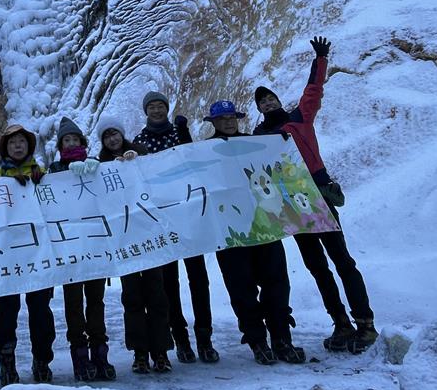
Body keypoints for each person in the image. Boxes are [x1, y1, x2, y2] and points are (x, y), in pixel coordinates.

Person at [254, 36, 377, 354]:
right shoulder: (258, 137)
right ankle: (341, 324)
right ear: (259, 109)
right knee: (317, 267)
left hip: (316, 195)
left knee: (342, 261)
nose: (267, 103)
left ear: (278, 101)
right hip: (292, 204)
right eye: (262, 102)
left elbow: (314, 91)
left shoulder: (299, 118)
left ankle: (365, 324)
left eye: (270, 99)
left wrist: (320, 58)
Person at [201, 100, 304, 365]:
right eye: (222, 119)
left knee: (277, 283)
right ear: (213, 123)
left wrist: (281, 143)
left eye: (232, 117)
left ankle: (282, 337)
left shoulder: (257, 144)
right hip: (230, 231)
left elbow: (280, 169)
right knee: (241, 288)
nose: (228, 122)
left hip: (265, 226)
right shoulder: (203, 152)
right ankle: (257, 340)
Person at [133, 90, 217, 364]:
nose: (156, 110)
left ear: (166, 109)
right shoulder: (139, 141)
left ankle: (204, 337)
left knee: (198, 279)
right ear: (146, 111)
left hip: (189, 215)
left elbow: (191, 157)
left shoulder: (179, 132)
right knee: (169, 283)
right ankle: (180, 338)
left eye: (160, 106)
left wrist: (184, 131)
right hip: (161, 221)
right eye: (152, 107)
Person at [97, 115, 174, 375]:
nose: (112, 139)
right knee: (132, 297)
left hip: (150, 236)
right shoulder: (100, 166)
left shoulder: (141, 154)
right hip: (124, 241)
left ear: (122, 134)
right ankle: (140, 352)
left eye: (114, 133)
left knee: (157, 295)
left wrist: (137, 162)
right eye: (107, 136)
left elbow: (159, 179)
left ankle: (161, 351)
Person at [47, 117, 114, 382]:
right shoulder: (54, 170)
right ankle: (80, 356)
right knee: (73, 304)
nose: (71, 143)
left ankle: (100, 353)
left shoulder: (94, 166)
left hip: (95, 246)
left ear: (83, 143)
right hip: (69, 249)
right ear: (61, 145)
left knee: (96, 302)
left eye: (75, 139)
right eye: (67, 140)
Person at [0, 123, 54, 386]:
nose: (18, 146)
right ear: (5, 147)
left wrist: (39, 181)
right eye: (12, 142)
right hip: (7, 257)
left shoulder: (42, 175)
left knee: (40, 312)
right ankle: (7, 362)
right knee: (6, 313)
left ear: (29, 147)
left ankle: (42, 360)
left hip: (38, 256)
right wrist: (5, 184)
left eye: (22, 142)